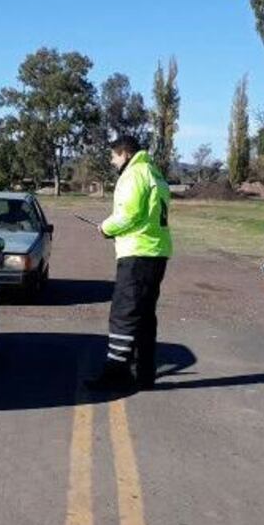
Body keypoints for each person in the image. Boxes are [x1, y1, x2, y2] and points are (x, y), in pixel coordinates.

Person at [85, 136, 173, 391]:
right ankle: (144, 374)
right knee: (145, 315)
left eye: (113, 156)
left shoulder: (134, 174)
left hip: (137, 252)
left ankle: (116, 372)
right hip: (157, 252)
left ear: (124, 153)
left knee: (124, 313)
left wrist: (106, 228)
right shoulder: (154, 173)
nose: (112, 162)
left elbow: (130, 214)